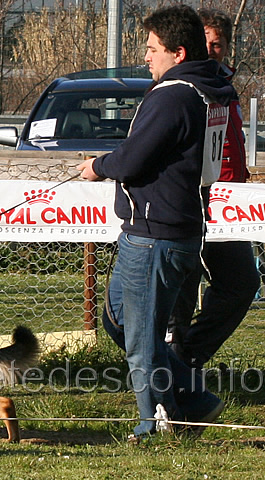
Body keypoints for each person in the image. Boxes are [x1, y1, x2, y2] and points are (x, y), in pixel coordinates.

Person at [77, 5, 234, 441]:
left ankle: (153, 423)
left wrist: (99, 164)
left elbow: (134, 157)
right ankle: (196, 398)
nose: (146, 57)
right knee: (119, 322)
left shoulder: (173, 95)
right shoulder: (208, 89)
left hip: (155, 235)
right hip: (169, 229)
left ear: (178, 52)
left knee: (142, 339)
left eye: (152, 49)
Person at [166, 8, 260, 370]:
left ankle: (187, 358)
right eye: (204, 43)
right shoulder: (185, 87)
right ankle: (170, 370)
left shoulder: (225, 85)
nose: (211, 50)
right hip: (195, 199)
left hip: (229, 202)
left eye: (217, 43)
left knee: (241, 283)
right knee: (183, 288)